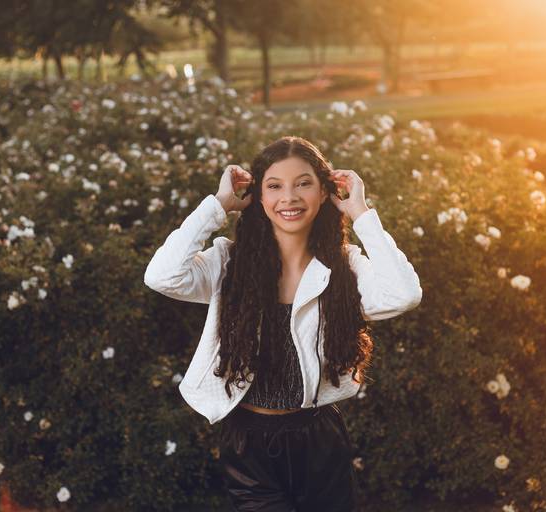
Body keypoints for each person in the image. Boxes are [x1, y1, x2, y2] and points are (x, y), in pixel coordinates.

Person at [144, 136, 423, 511]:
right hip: (249, 444)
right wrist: (218, 205)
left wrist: (361, 213)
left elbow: (403, 294)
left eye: (303, 183)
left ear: (323, 192)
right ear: (258, 197)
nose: (289, 198)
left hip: (319, 440)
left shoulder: (345, 266)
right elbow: (162, 276)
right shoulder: (228, 263)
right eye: (274, 186)